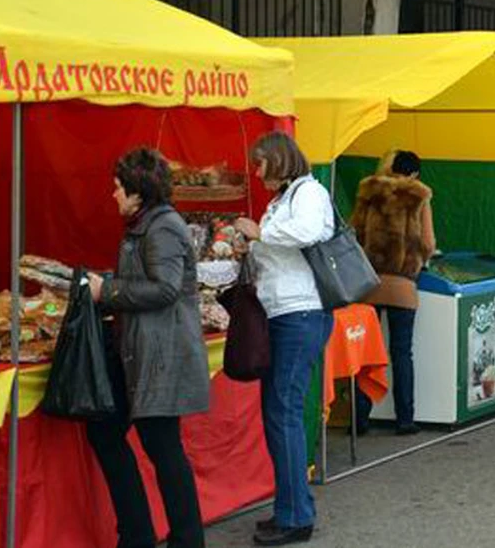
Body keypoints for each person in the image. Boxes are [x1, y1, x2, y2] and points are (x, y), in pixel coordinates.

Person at [86, 148, 209, 548]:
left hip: (160, 356)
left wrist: (110, 290)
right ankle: (137, 534)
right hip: (136, 352)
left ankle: (186, 539)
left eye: (118, 188)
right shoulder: (145, 223)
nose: (113, 195)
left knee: (163, 448)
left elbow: (166, 288)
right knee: (106, 433)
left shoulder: (164, 227)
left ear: (139, 191)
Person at [234, 132, 334, 546]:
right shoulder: (284, 198)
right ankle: (289, 507)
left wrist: (259, 234)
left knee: (285, 413)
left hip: (300, 313)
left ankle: (296, 516)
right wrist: (247, 247)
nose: (257, 173)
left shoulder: (308, 193)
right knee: (278, 414)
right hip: (284, 314)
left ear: (278, 160)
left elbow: (308, 232)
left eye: (260, 165)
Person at [350, 150, 436, 436]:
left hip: (369, 284)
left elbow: (355, 231)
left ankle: (359, 419)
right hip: (402, 285)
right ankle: (405, 419)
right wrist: (419, 258)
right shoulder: (419, 196)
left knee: (364, 353)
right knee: (402, 351)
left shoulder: (369, 191)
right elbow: (428, 242)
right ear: (414, 174)